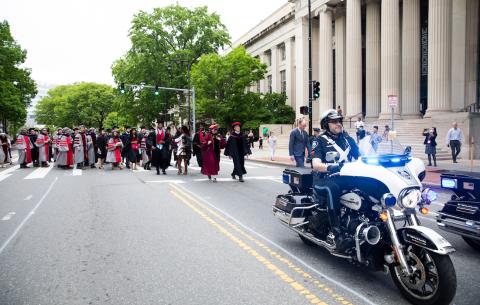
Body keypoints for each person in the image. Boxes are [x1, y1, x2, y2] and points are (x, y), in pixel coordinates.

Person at [311, 109, 360, 250]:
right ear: (326, 124)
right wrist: (331, 167)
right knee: (332, 188)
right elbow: (316, 165)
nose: (338, 124)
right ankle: (337, 233)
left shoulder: (348, 140)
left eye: (339, 121)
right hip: (324, 179)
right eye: (334, 121)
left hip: (346, 177)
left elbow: (361, 157)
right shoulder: (319, 140)